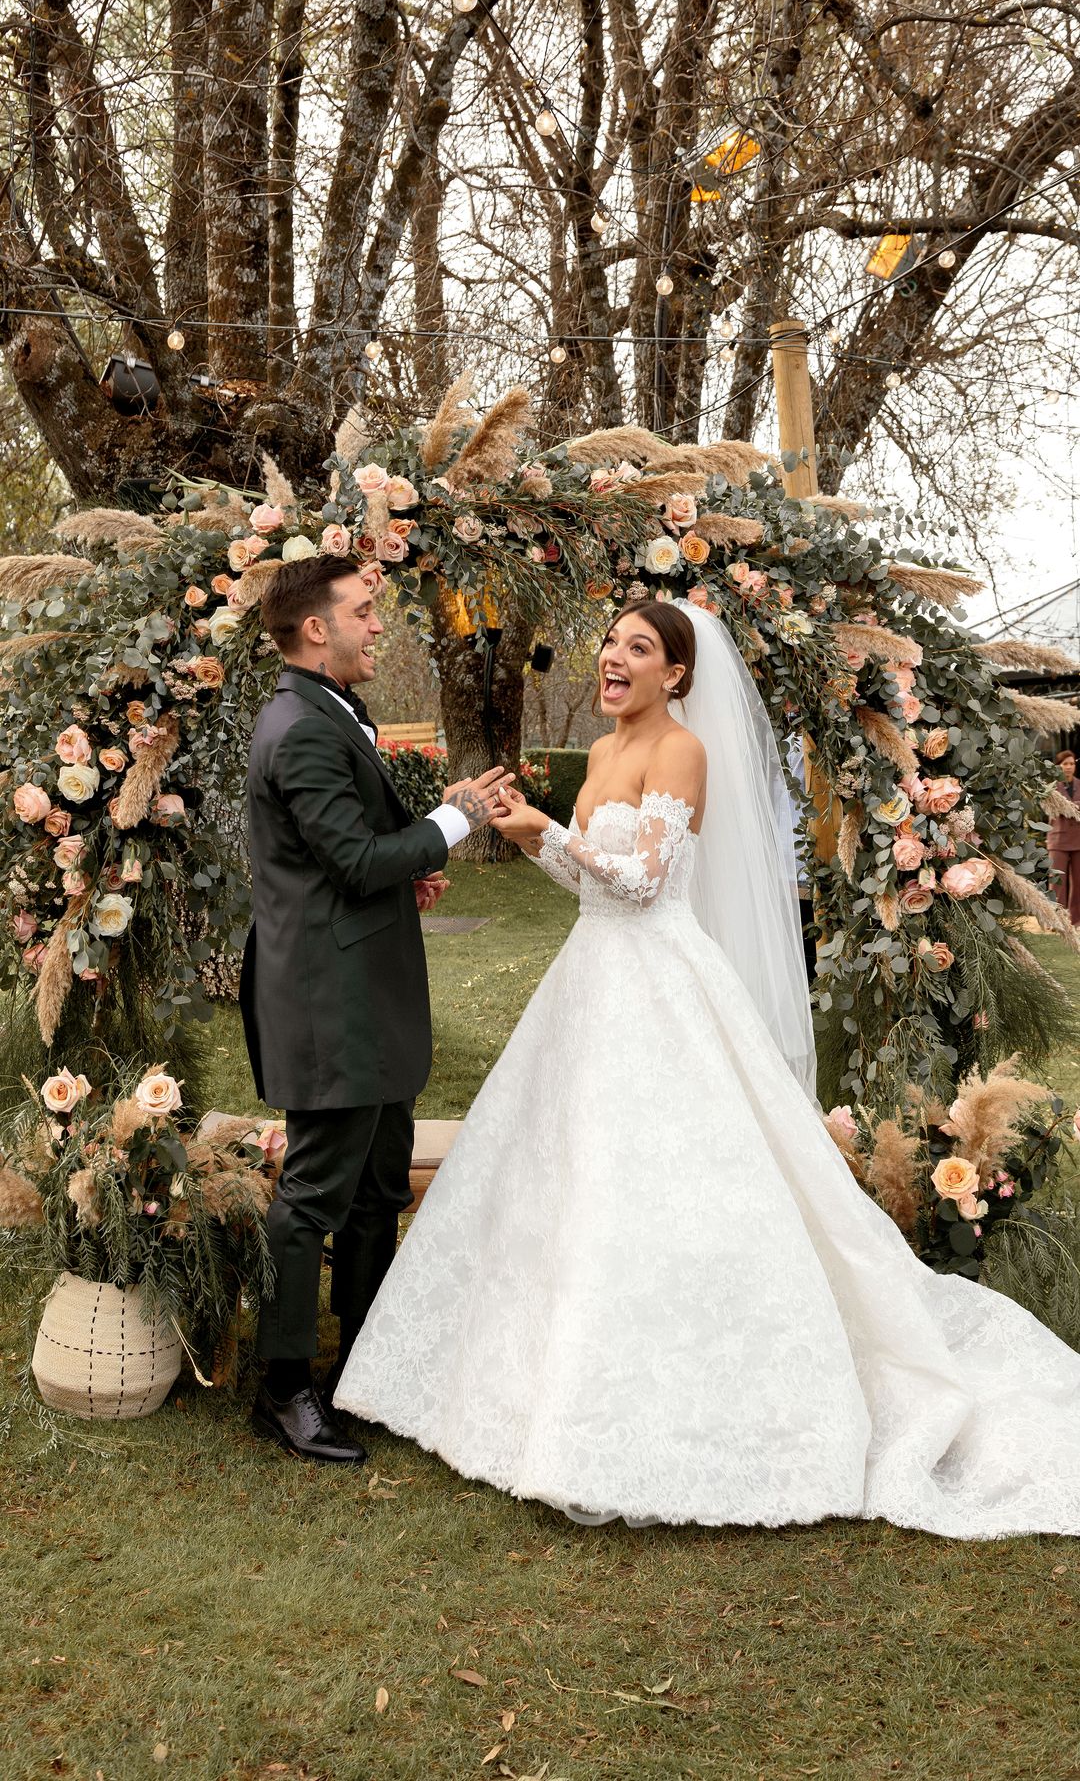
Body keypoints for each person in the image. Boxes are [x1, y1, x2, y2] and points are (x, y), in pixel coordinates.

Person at [335, 600, 1080, 1535]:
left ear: (677, 676)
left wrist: (542, 827)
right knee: (563, 1173)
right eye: (610, 642)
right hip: (590, 980)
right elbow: (584, 883)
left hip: (659, 984)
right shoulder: (603, 753)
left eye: (638, 649)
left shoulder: (680, 752)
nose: (614, 657)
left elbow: (644, 884)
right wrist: (532, 835)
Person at [241, 552, 512, 1462]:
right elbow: (355, 862)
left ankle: (366, 1365)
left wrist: (412, 875)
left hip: (368, 994)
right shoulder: (302, 727)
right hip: (333, 1004)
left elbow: (352, 859)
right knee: (317, 1195)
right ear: (316, 627)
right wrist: (457, 816)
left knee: (377, 1193)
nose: (377, 623)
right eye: (364, 609)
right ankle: (283, 1388)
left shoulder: (326, 712)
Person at [1047, 747, 1080, 926]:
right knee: (1057, 883)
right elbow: (1054, 809)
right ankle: (1057, 921)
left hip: (1078, 840)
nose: (1068, 767)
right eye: (1065, 764)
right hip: (1058, 840)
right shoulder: (1051, 787)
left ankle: (1076, 921)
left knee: (1079, 883)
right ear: (1058, 766)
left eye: (1071, 763)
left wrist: (1070, 807)